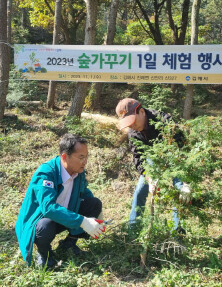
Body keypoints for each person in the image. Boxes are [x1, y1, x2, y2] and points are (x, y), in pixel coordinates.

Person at [15, 133, 106, 269]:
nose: (85, 161)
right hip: (42, 220)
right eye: (81, 157)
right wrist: (83, 221)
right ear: (64, 156)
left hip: (65, 215)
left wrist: (97, 215)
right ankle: (44, 254)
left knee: (94, 203)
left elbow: (84, 192)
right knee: (45, 225)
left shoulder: (78, 172)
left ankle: (69, 244)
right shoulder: (46, 173)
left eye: (86, 157)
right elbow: (49, 208)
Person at [115, 98, 191, 232]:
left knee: (179, 189)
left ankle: (178, 230)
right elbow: (138, 158)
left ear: (142, 112)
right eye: (127, 123)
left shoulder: (164, 120)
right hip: (151, 159)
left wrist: (185, 180)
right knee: (140, 190)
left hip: (173, 155)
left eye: (132, 121)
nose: (131, 125)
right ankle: (133, 229)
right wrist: (149, 177)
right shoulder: (133, 132)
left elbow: (182, 145)